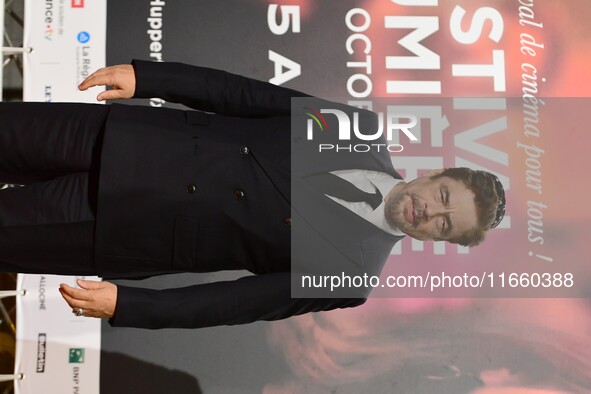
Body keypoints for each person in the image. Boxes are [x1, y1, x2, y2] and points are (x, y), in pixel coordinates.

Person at [0, 60, 505, 329]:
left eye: (445, 223)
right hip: (120, 135)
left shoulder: (352, 274)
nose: (429, 210)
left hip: (116, 225)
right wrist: (152, 77)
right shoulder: (359, 128)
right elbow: (243, 96)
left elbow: (235, 302)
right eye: (442, 195)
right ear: (437, 172)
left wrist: (133, 307)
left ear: (443, 242)